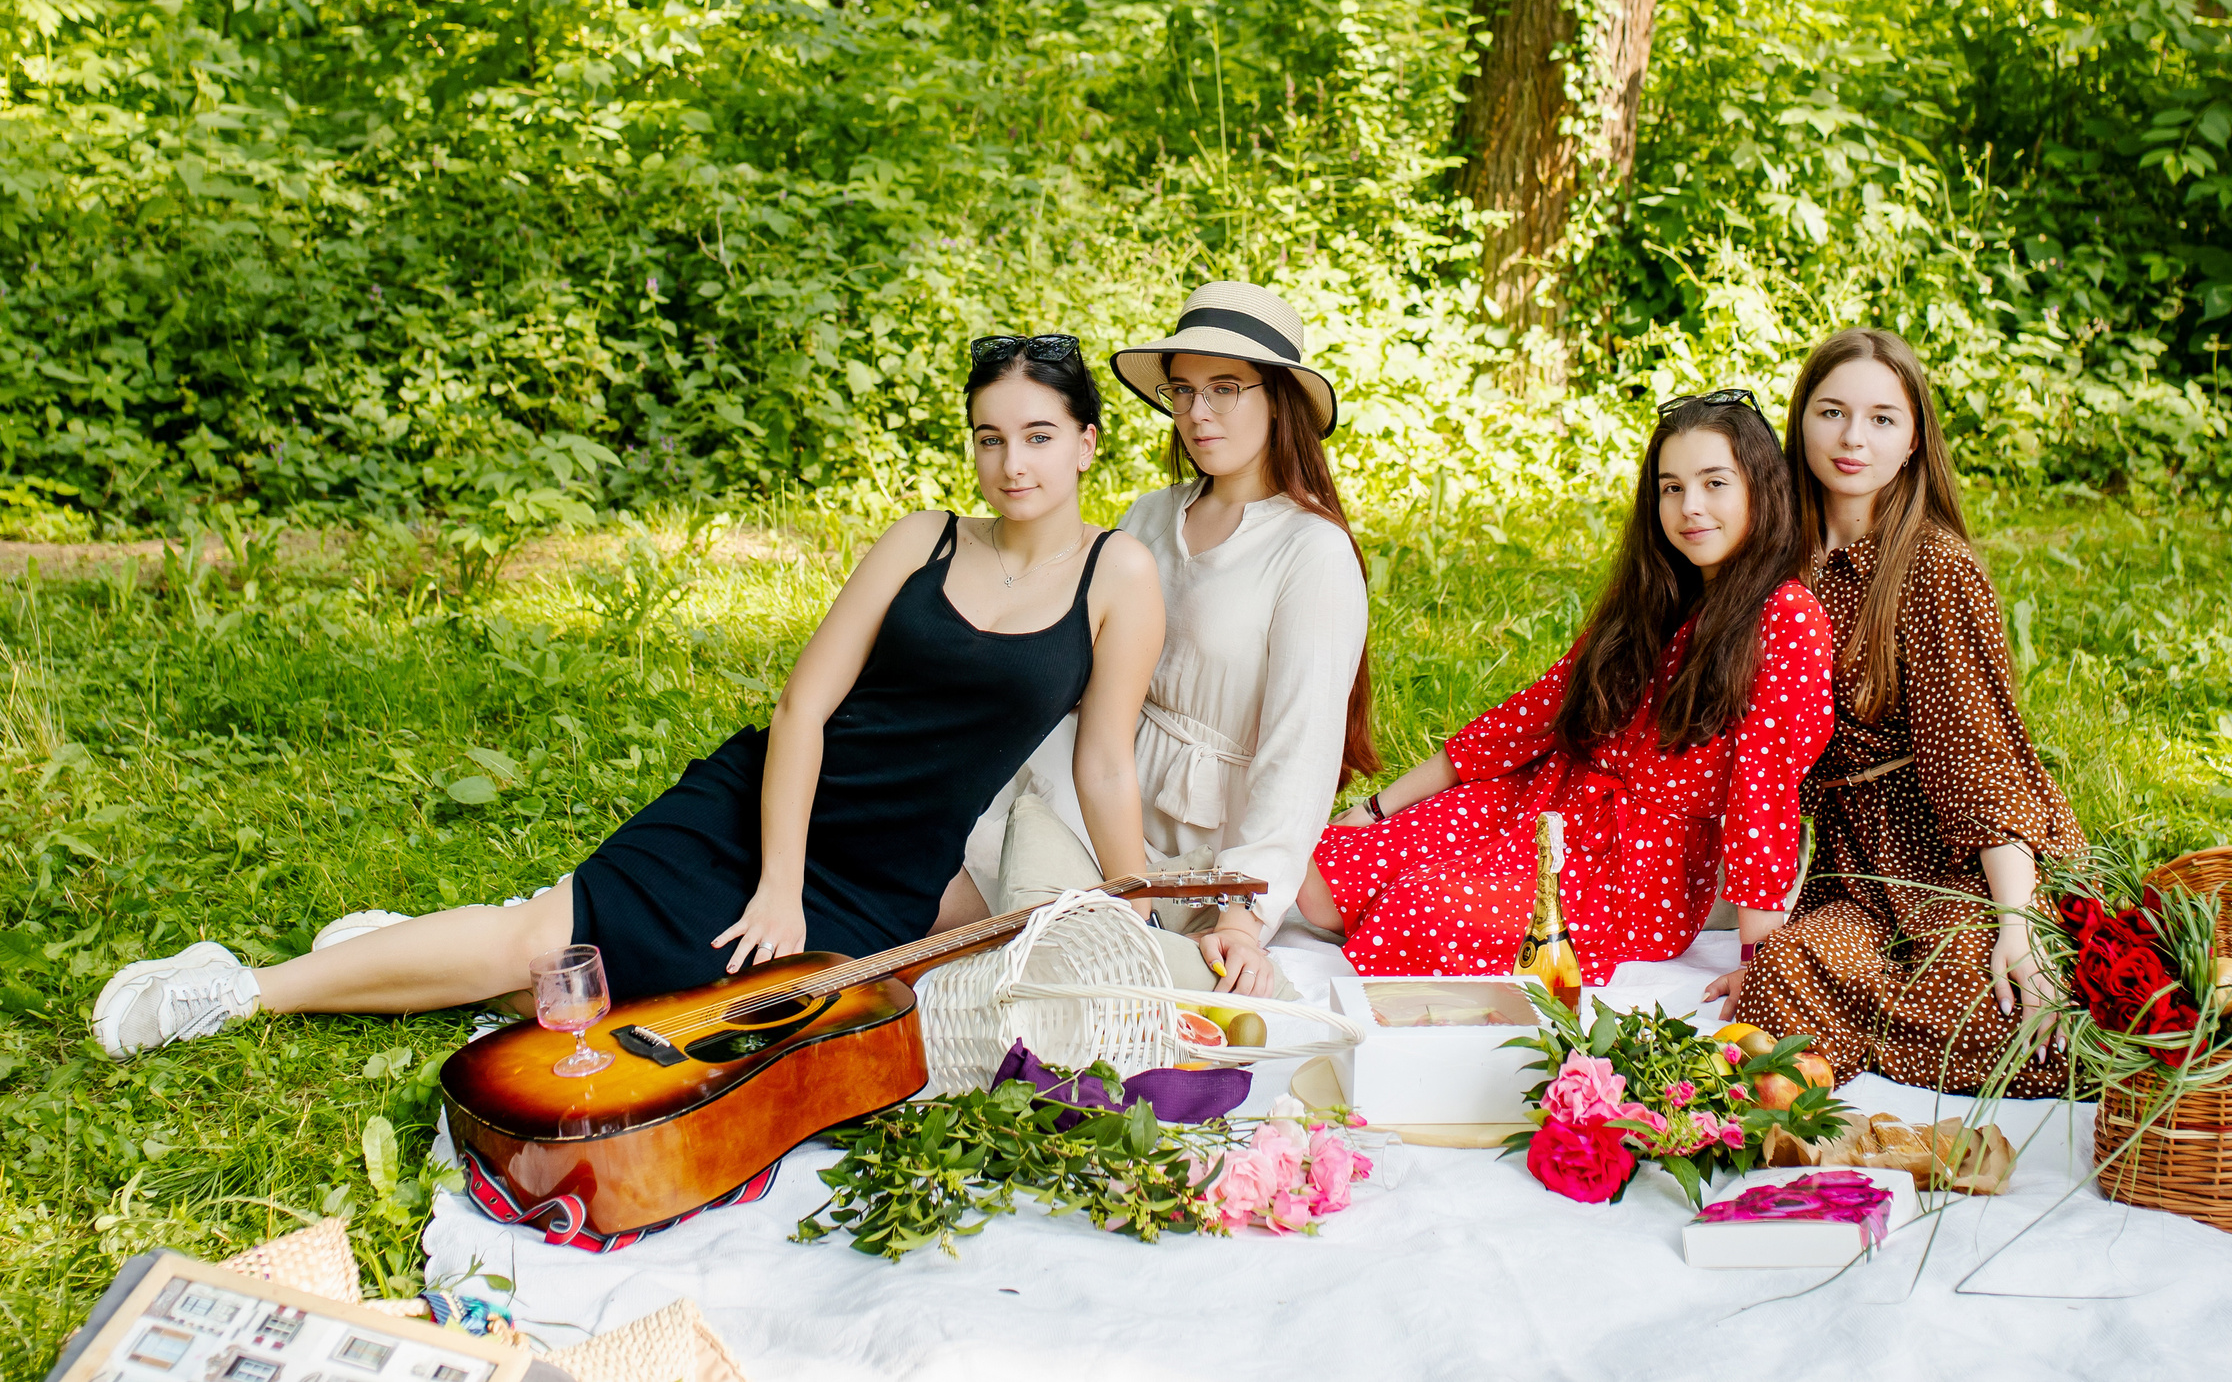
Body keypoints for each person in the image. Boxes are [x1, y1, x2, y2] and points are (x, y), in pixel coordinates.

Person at [89, 335, 1164, 1056]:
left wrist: (1143, 906)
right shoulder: (921, 541)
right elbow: (802, 710)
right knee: (546, 957)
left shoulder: (1118, 577)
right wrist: (779, 887)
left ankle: (403, 944)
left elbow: (1105, 764)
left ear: (1086, 442)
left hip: (886, 879)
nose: (1011, 464)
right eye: (989, 436)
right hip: (766, 815)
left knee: (647, 1020)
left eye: (1037, 436)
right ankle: (235, 988)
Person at [1299, 391, 1834, 989]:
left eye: (1714, 483)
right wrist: (1376, 809)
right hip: (1544, 804)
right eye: (1672, 487)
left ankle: (1435, 912)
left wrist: (1757, 963)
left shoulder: (1786, 617)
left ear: (1762, 489)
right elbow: (1528, 718)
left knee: (1413, 911)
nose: (1690, 507)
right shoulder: (1655, 595)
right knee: (1319, 876)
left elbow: (1763, 792)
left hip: (1631, 874)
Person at [963, 282, 1376, 1000]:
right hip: (1097, 774)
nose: (1197, 412)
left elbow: (1300, 752)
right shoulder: (1151, 516)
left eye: (1224, 388)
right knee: (943, 865)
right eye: (1183, 391)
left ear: (1279, 398)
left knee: (1060, 954)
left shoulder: (1311, 550)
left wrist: (1244, 915)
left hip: (1202, 831)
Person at [1728, 328, 2083, 1096]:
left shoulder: (1933, 567)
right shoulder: (1776, 563)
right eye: (1832, 412)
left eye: (1882, 419)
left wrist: (2019, 928)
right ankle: (1852, 1038)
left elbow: (1979, 762)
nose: (1853, 438)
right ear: (1801, 420)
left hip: (1957, 866)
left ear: (1914, 439)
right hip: (1851, 873)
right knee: (1780, 974)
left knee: (2012, 1008)